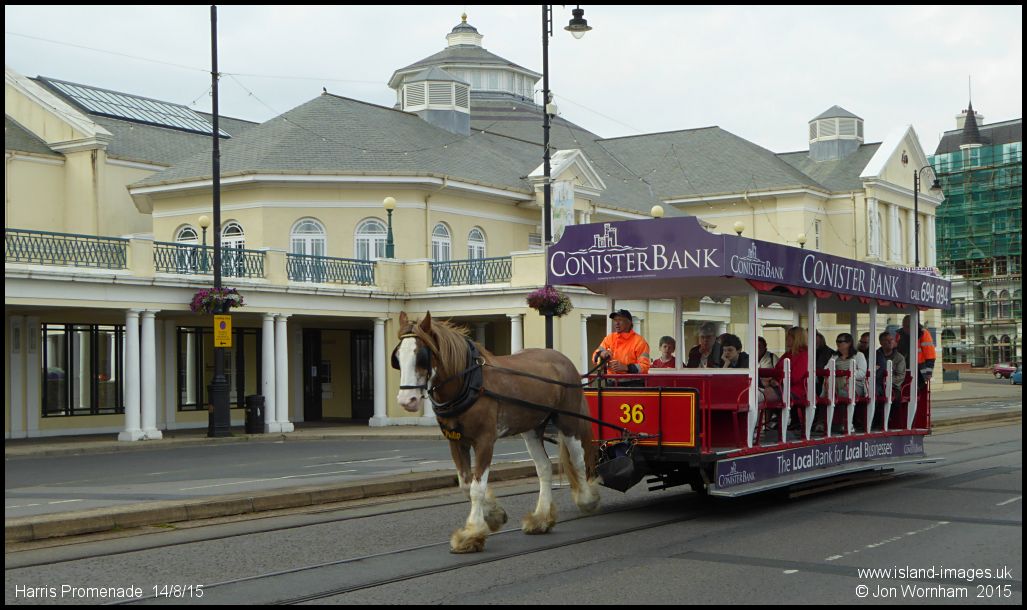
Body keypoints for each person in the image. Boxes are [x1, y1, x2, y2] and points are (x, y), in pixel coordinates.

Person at [767, 327, 811, 428]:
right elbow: (776, 370)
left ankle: (767, 423)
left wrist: (778, 381)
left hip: (797, 390)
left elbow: (795, 377)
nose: (787, 339)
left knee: (765, 394)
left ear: (797, 338)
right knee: (762, 392)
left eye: (789, 336)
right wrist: (773, 380)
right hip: (782, 387)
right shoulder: (788, 354)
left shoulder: (804, 355)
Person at [593, 310, 651, 380]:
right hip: (611, 383)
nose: (616, 323)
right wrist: (601, 354)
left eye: (620, 320)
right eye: (615, 320)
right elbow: (594, 358)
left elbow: (645, 367)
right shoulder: (609, 338)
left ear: (629, 322)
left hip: (633, 384)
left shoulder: (639, 341)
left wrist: (626, 367)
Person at [895, 314, 936, 389]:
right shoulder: (899, 334)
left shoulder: (923, 333)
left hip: (919, 370)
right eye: (904, 326)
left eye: (907, 326)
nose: (905, 328)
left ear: (914, 325)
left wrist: (929, 372)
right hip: (903, 368)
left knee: (916, 390)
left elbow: (930, 354)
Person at [824, 333, 867, 401]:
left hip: (853, 384)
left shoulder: (859, 355)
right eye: (837, 341)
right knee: (828, 389)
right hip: (836, 383)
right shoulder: (835, 356)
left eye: (840, 341)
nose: (838, 343)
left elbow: (862, 373)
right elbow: (826, 369)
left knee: (842, 393)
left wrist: (846, 374)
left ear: (849, 343)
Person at [874, 331, 906, 400]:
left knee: (894, 397)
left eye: (891, 339)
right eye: (886, 340)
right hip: (875, 384)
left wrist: (886, 381)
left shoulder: (899, 358)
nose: (890, 342)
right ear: (881, 342)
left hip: (893, 387)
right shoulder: (874, 355)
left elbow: (900, 376)